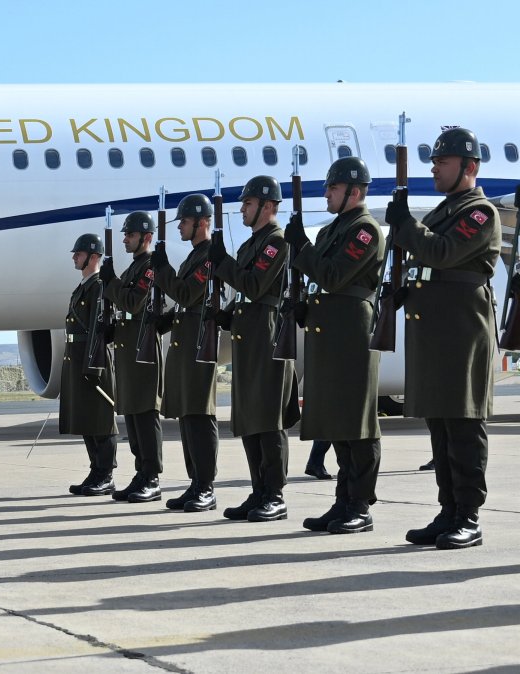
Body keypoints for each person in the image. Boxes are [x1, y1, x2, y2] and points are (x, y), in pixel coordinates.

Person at [385, 127, 500, 549]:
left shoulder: (478, 212)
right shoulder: (444, 209)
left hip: (461, 331)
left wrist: (405, 224)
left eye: (443, 161)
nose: (433, 167)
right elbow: (425, 258)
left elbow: (442, 253)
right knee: (440, 426)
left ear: (468, 168)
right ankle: (448, 509)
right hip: (435, 330)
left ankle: (468, 515)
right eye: (434, 161)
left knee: (463, 426)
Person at [285, 157, 385, 534]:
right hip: (328, 328)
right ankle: (343, 500)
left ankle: (359, 503)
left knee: (357, 422)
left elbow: (334, 275)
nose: (326, 194)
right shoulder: (332, 230)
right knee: (338, 421)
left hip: (351, 330)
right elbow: (318, 278)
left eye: (333, 188)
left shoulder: (365, 231)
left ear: (354, 192)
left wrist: (301, 247)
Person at [210, 176, 300, 522]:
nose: (243, 210)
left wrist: (222, 263)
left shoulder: (277, 243)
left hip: (268, 336)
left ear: (268, 206)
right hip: (248, 336)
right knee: (249, 417)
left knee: (268, 418)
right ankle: (259, 489)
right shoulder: (252, 245)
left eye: (248, 204)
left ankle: (275, 494)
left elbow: (254, 284)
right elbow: (245, 295)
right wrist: (228, 315)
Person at [150, 194, 220, 512]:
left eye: (185, 221)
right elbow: (182, 303)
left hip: (199, 345)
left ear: (202, 223)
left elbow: (188, 294)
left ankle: (206, 486)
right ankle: (195, 483)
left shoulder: (209, 258)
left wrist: (162, 270)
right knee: (187, 418)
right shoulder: (194, 258)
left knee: (200, 416)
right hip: (185, 343)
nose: (180, 226)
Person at [101, 212, 163, 503]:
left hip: (143, 348)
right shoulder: (134, 268)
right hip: (129, 348)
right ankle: (141, 473)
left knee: (146, 415)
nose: (125, 239)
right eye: (124, 235)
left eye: (130, 235)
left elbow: (132, 301)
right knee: (133, 416)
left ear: (146, 237)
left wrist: (110, 282)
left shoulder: (150, 267)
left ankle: (152, 476)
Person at [61, 233, 120, 497]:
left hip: (93, 357)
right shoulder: (84, 286)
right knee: (86, 418)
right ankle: (95, 470)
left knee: (100, 420)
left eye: (80, 253)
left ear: (94, 257)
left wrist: (93, 365)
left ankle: (105, 474)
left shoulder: (98, 286)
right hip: (79, 356)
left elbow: (100, 326)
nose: (75, 256)